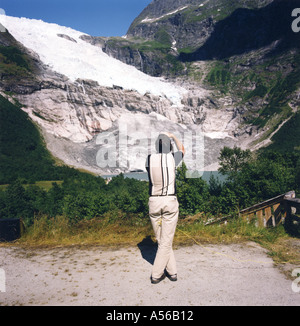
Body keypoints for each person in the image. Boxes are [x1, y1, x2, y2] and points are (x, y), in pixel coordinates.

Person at [145, 132, 185, 284]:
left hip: (154, 202)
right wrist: (174, 136)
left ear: (156, 146)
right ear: (169, 147)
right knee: (166, 241)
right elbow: (183, 150)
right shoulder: (173, 158)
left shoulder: (149, 159)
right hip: (169, 201)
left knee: (163, 241)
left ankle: (173, 272)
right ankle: (156, 275)